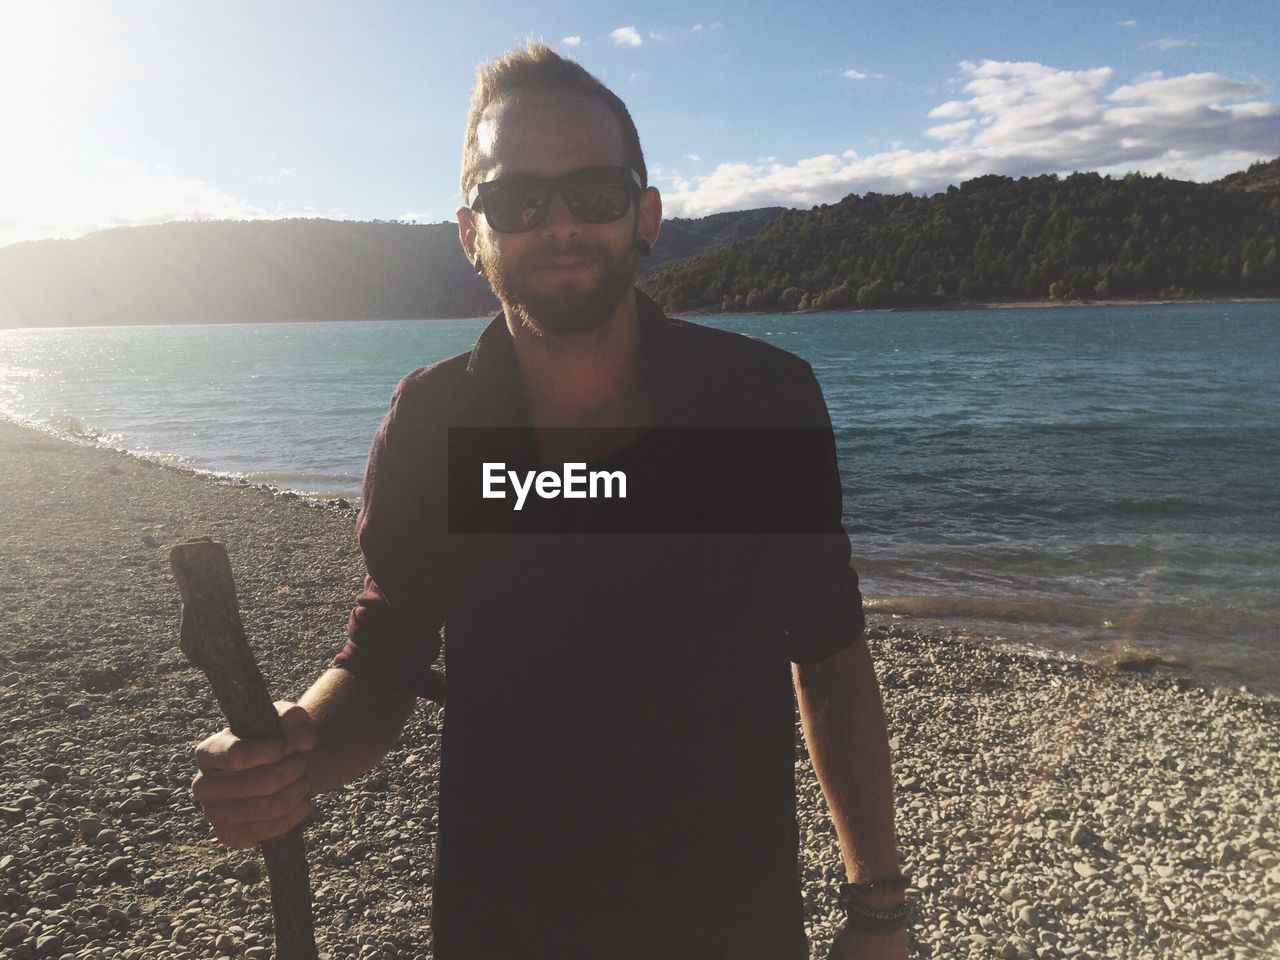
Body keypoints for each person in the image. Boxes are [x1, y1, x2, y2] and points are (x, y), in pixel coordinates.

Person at [191, 41, 907, 960]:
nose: (560, 223)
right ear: (470, 232)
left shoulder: (758, 404)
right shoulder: (436, 422)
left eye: (595, 194)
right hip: (506, 923)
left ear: (645, 216)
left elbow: (830, 648)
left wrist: (878, 910)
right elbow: (383, 659)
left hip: (733, 921)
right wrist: (285, 756)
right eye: (517, 198)